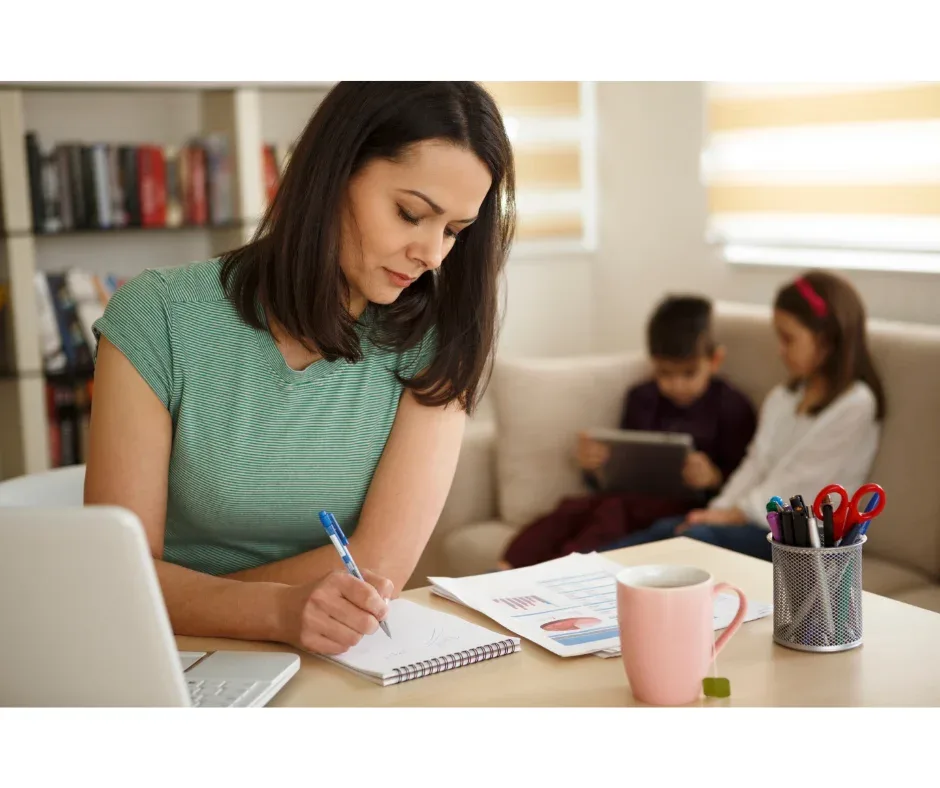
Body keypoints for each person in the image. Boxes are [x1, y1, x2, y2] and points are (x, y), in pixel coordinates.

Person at [84, 82, 515, 656]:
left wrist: (186, 596)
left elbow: (381, 564)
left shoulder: (436, 341)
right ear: (332, 174)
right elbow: (119, 579)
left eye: (454, 232)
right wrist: (276, 611)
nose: (433, 254)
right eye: (411, 214)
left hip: (340, 657)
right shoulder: (159, 316)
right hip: (171, 655)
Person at [600, 271, 886, 561]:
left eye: (788, 339)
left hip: (800, 538)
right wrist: (715, 511)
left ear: (827, 340)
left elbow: (799, 483)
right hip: (755, 521)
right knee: (666, 529)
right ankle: (581, 575)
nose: (780, 350)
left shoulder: (856, 404)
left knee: (693, 539)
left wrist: (732, 515)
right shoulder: (783, 397)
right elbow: (755, 462)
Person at [501, 296, 757, 568]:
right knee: (571, 509)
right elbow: (619, 468)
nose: (676, 385)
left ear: (715, 360)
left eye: (689, 373)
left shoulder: (732, 407)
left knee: (611, 514)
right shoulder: (642, 398)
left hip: (682, 508)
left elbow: (746, 477)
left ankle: (560, 573)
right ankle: (502, 568)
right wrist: (596, 466)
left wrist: (712, 477)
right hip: (627, 496)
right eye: (665, 374)